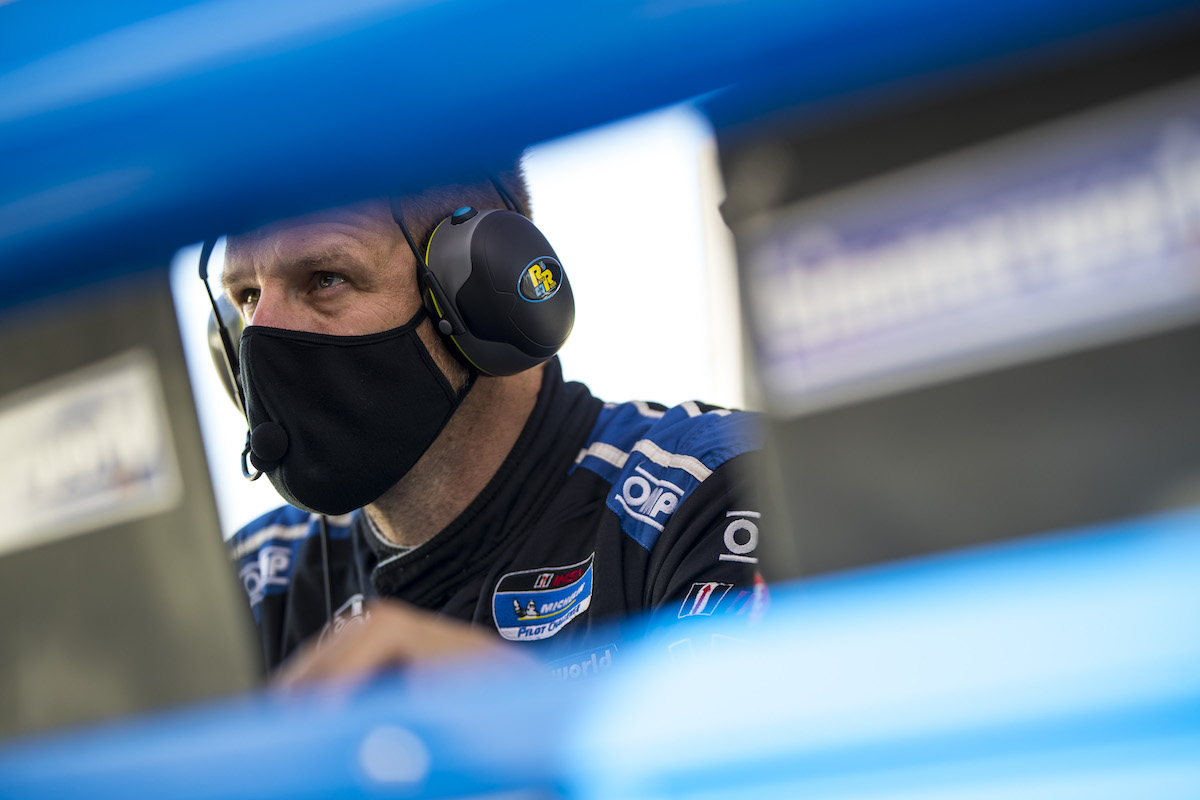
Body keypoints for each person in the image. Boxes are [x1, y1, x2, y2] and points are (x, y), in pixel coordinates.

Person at [215, 165, 765, 685]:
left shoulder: (714, 493)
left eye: (325, 278)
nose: (261, 341)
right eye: (249, 297)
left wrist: (508, 714)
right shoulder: (250, 583)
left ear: (481, 289)